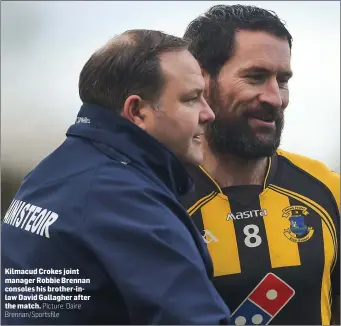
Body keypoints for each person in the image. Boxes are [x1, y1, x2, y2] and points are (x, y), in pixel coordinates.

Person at [1, 29, 231, 325]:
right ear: (137, 111)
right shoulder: (125, 201)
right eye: (191, 99)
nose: (208, 113)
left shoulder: (51, 172)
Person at [180, 5, 340, 325]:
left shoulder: (328, 189)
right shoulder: (153, 196)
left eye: (282, 81)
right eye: (255, 77)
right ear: (200, 81)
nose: (274, 98)